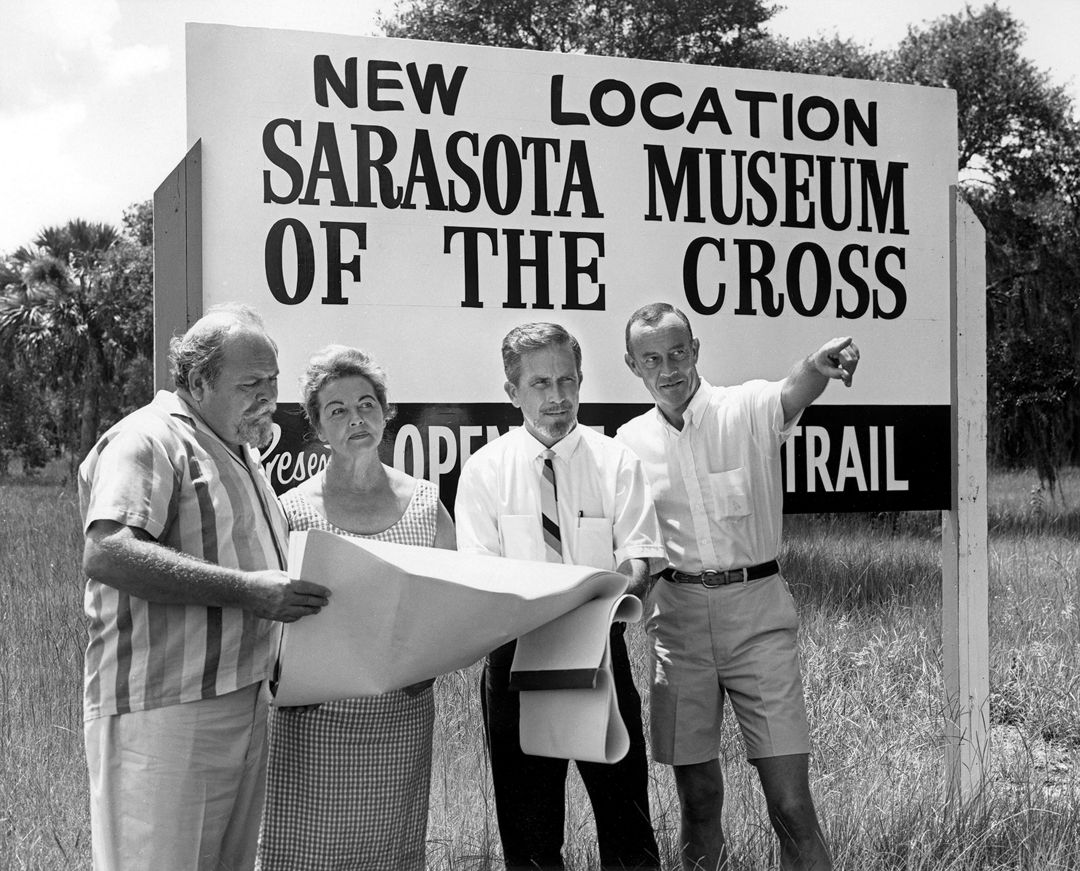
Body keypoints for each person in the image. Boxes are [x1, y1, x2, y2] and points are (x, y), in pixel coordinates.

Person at [78, 303, 331, 871]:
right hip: (166, 711)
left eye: (271, 381)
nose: (267, 397)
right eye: (250, 384)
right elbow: (107, 551)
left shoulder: (237, 447)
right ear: (198, 381)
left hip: (242, 701)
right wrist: (248, 591)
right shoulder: (147, 438)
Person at [617, 302, 859, 871]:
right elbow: (631, 543)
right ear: (633, 366)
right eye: (652, 358)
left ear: (696, 350)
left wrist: (820, 364)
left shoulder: (745, 408)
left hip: (758, 619)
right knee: (698, 803)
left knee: (791, 806)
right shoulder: (626, 443)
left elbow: (794, 389)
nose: (669, 368)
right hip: (676, 627)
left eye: (678, 352)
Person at [455, 322, 665, 870]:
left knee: (627, 824)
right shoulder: (484, 470)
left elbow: (640, 560)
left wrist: (624, 583)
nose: (557, 397)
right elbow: (482, 578)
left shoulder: (617, 461)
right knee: (529, 833)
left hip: (600, 654)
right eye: (541, 383)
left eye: (568, 381)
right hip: (517, 659)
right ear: (512, 392)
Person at [257, 345, 456, 871]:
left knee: (390, 854)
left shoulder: (426, 504)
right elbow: (270, 617)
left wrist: (427, 666)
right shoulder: (293, 510)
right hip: (313, 720)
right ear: (318, 428)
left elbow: (450, 608)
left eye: (367, 404)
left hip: (401, 715)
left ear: (387, 413)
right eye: (337, 410)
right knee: (303, 854)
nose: (356, 418)